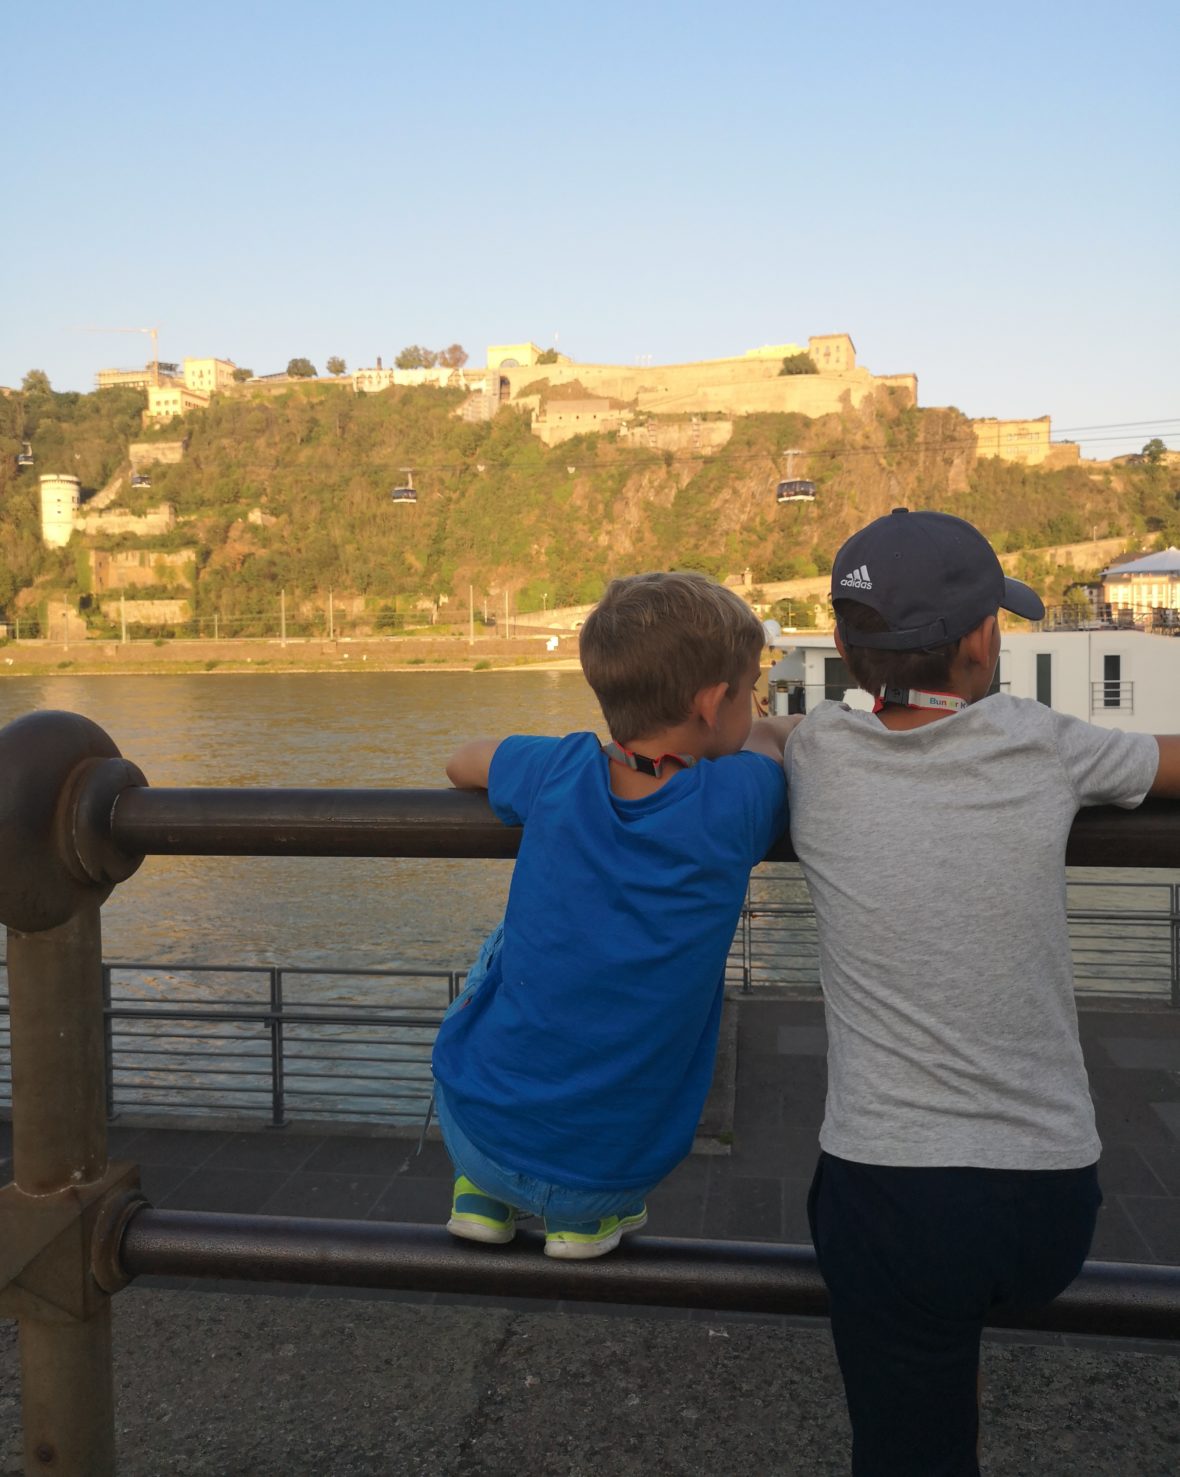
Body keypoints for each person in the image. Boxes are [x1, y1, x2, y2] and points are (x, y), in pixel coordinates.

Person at [783, 508, 1180, 1477]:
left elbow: (729, 734)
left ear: (841, 646)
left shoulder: (810, 752)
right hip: (1049, 1203)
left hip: (891, 1209)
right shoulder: (1041, 740)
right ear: (983, 639)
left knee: (907, 1444)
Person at [432, 571, 795, 1259]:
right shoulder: (736, 800)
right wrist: (775, 726)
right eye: (751, 689)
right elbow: (772, 748)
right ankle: (582, 1222)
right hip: (613, 1170)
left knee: (503, 948)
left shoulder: (560, 767)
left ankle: (480, 1193)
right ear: (714, 703)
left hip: (474, 1131)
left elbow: (461, 762)